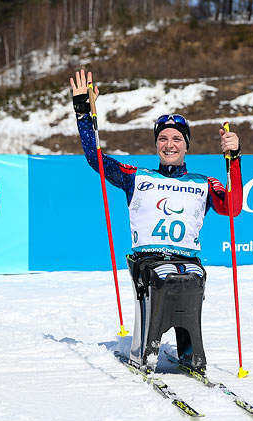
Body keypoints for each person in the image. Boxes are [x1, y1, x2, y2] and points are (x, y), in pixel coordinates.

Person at [70, 69, 243, 373]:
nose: (169, 144)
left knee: (191, 279)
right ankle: (148, 348)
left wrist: (235, 159)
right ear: (156, 145)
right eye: (162, 138)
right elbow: (95, 159)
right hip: (147, 260)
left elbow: (232, 207)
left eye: (177, 138)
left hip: (187, 258)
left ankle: (191, 351)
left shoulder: (205, 182)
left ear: (187, 145)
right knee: (164, 279)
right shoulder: (137, 177)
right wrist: (84, 114)